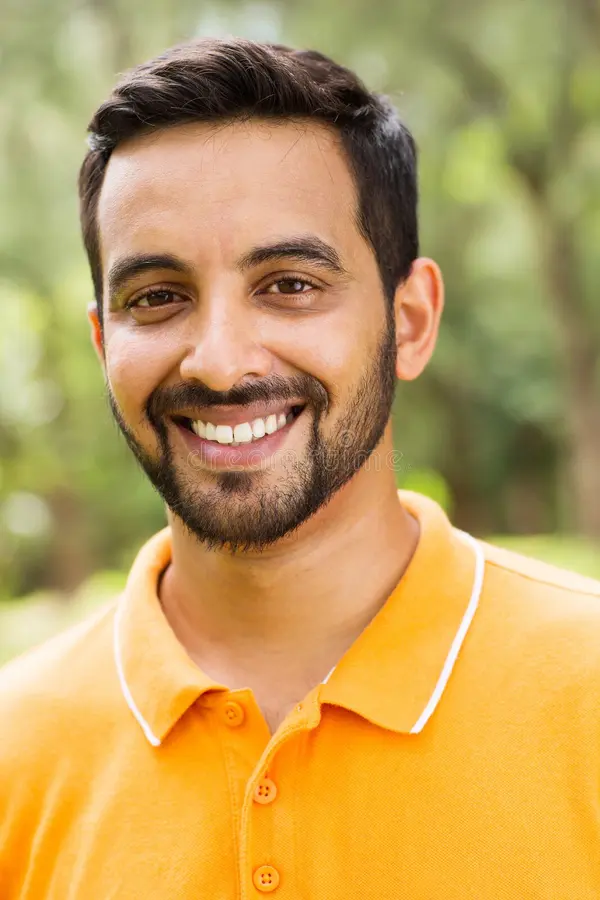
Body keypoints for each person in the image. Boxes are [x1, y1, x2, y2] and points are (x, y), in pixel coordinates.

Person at [1, 37, 600, 900]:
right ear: (103, 344)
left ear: (411, 320)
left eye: (288, 284)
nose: (218, 361)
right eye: (157, 297)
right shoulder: (14, 751)